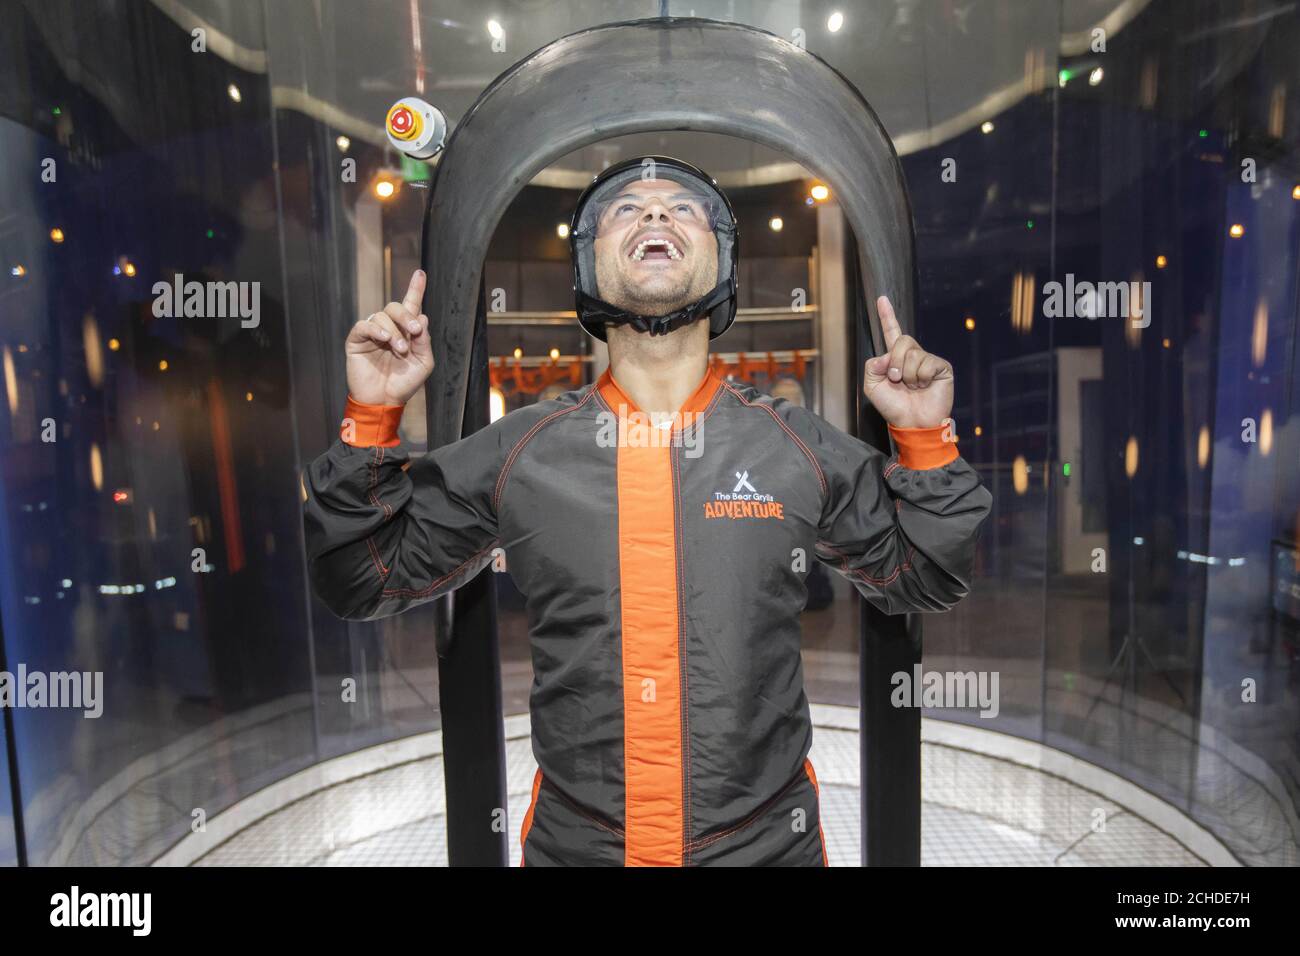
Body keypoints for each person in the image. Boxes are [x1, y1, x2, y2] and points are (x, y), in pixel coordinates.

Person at [303, 156, 992, 866]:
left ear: (722, 262)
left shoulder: (795, 446)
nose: (657, 214)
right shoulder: (522, 453)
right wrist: (372, 414)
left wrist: (923, 437)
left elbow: (931, 574)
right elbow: (360, 577)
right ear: (588, 265)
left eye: (683, 208)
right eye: (625, 209)